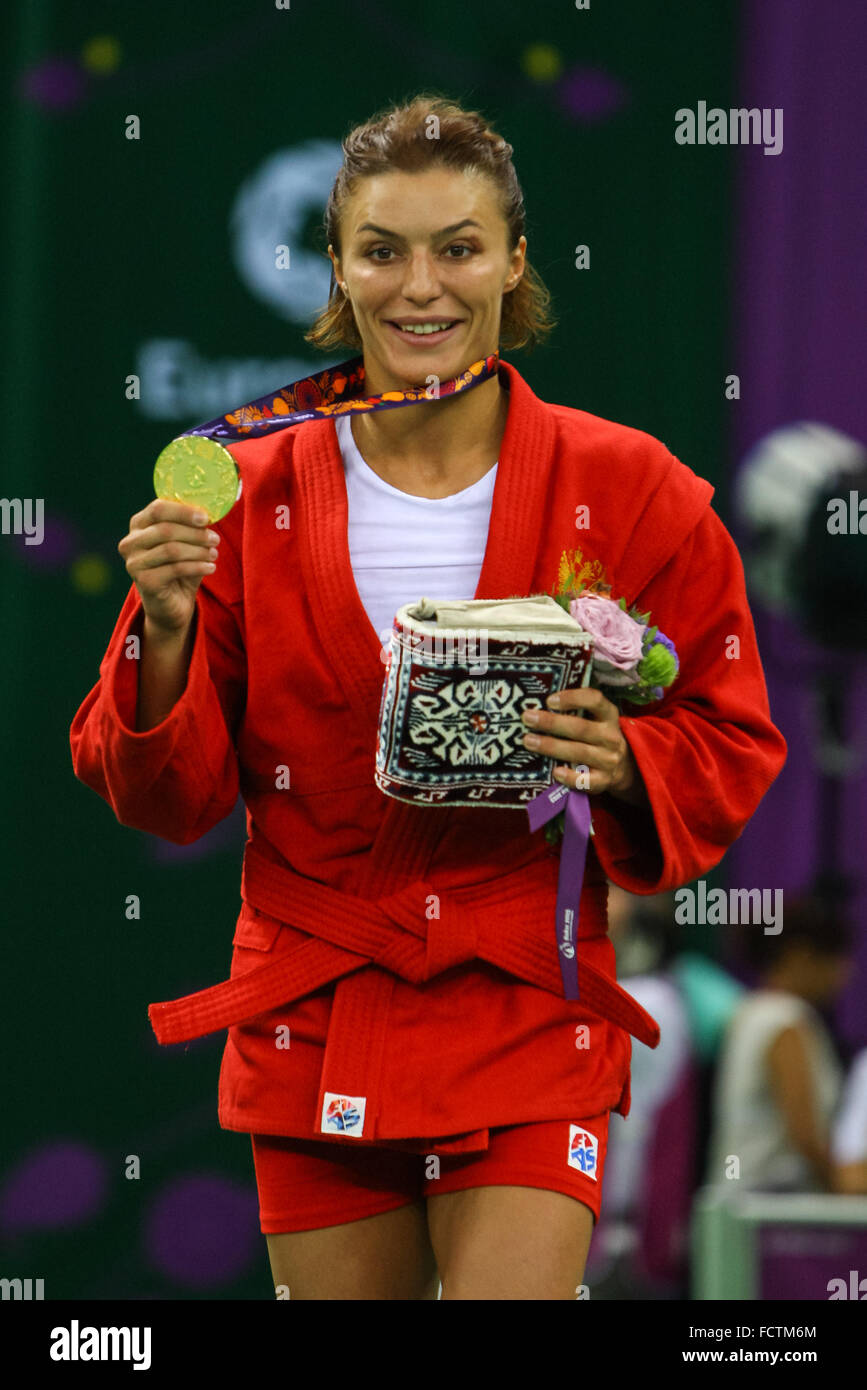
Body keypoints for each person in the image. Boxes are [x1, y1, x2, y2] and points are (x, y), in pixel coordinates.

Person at [69, 93, 787, 1300]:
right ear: (337, 267)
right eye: (382, 250)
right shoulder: (234, 497)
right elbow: (164, 795)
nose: (422, 287)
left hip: (522, 1004)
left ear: (514, 259)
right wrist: (172, 630)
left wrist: (622, 761)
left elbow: (729, 728)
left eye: (458, 247)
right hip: (317, 1007)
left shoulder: (635, 486)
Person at [705, 895, 854, 1193]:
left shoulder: (748, 1012)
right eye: (836, 961)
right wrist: (844, 1184)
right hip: (769, 1205)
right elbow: (805, 1135)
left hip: (735, 1197)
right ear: (801, 957)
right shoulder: (786, 1020)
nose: (845, 975)